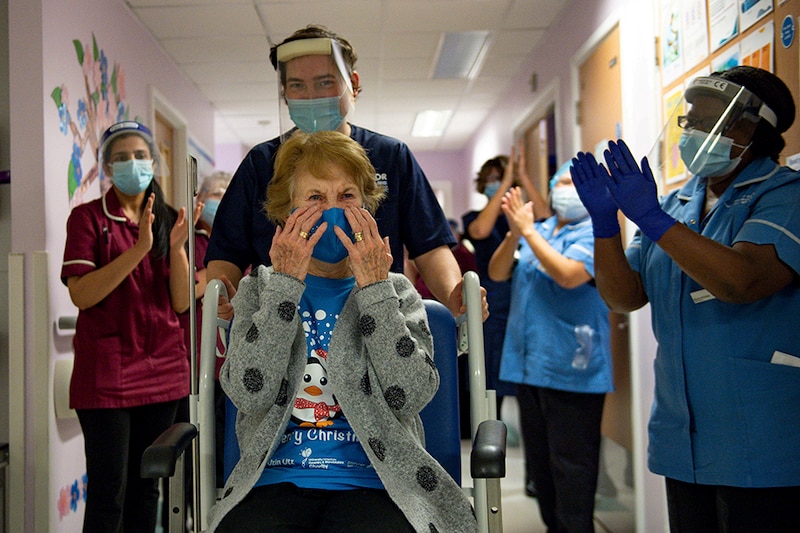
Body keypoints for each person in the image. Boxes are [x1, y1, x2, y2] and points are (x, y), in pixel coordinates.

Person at [207, 130, 477, 533]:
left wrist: (374, 290)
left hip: (379, 479)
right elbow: (250, 392)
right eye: (315, 198)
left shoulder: (397, 290)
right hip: (275, 478)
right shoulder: (259, 290)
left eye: (347, 197)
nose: (332, 211)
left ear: (367, 207)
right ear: (286, 212)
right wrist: (284, 286)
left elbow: (412, 395)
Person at [570, 65, 800, 532]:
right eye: (687, 120)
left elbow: (743, 281)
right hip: (685, 436)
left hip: (764, 438)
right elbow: (623, 297)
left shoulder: (784, 195)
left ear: (749, 129)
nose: (690, 130)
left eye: (703, 120)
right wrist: (605, 225)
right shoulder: (675, 205)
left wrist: (652, 219)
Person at [205, 24, 484, 320]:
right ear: (284, 93)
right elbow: (227, 252)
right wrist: (220, 299)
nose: (311, 96)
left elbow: (429, 246)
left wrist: (454, 293)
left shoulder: (391, 156)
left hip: (377, 317)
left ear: (353, 83)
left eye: (325, 82)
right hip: (284, 322)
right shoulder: (262, 163)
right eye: (298, 85)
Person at [60, 120, 191, 533]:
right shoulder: (87, 219)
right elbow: (82, 294)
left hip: (162, 371)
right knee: (108, 492)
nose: (132, 164)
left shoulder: (168, 217)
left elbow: (182, 301)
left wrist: (175, 249)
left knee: (146, 489)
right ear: (105, 168)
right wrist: (139, 250)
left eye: (139, 156)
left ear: (153, 162)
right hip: (107, 377)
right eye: (120, 158)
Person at [488, 164, 613, 532]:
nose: (566, 188)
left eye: (576, 183)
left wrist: (527, 231)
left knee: (571, 468)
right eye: (562, 181)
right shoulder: (537, 231)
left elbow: (568, 274)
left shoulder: (595, 233)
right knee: (541, 469)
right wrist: (515, 235)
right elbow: (497, 272)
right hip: (529, 367)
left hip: (573, 367)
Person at [462, 143, 549, 490]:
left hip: (528, 300)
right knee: (492, 383)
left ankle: (534, 475)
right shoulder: (475, 218)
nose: (499, 185)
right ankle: (491, 464)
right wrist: (503, 187)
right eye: (492, 180)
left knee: (529, 388)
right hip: (493, 304)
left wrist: (522, 177)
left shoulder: (525, 219)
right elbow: (480, 233)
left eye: (504, 180)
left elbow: (543, 217)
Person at [406, 218, 477, 299]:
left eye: (453, 231)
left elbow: (471, 276)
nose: (451, 235)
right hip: (425, 295)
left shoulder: (463, 252)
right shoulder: (425, 250)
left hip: (450, 297)